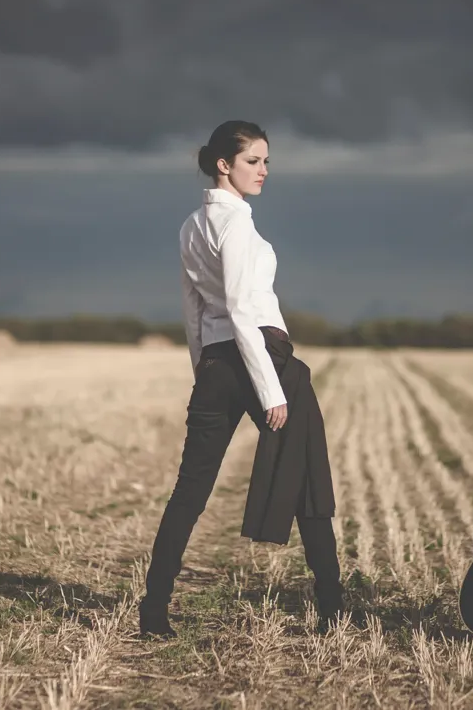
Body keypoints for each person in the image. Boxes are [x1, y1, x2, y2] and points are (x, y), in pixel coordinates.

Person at [139, 119, 344, 639]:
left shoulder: (190, 227)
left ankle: (153, 610)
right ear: (223, 164)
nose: (264, 171)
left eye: (267, 161)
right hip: (263, 359)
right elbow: (235, 308)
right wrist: (269, 389)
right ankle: (334, 608)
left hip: (216, 363)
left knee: (189, 490)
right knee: (307, 475)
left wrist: (203, 370)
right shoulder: (236, 225)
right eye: (254, 161)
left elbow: (193, 313)